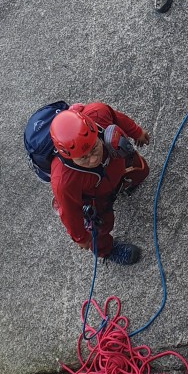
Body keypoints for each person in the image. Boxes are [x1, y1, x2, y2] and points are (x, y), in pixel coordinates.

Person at [49, 102, 151, 266]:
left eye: (95, 147)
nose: (94, 159)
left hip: (118, 164)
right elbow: (69, 212)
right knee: (100, 228)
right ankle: (106, 250)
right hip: (96, 196)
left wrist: (136, 132)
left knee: (141, 171)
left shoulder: (98, 113)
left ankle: (125, 186)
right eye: (84, 158)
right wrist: (81, 237)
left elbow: (118, 118)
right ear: (68, 156)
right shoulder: (64, 182)